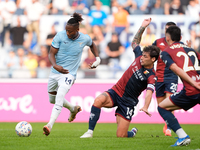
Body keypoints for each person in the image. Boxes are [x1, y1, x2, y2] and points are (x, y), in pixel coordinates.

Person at [80, 18, 160, 138]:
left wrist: (145, 106)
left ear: (153, 59)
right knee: (98, 101)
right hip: (116, 91)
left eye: (145, 57)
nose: (142, 58)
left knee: (121, 135)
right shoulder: (139, 56)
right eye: (142, 55)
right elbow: (134, 42)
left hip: (128, 101)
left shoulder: (152, 76)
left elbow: (149, 92)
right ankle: (89, 132)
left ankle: (131, 133)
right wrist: (142, 27)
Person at [43, 12, 101, 136]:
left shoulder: (84, 38)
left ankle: (49, 125)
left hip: (69, 74)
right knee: (52, 99)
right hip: (55, 72)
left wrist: (98, 58)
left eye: (71, 31)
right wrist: (55, 65)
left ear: (77, 29)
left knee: (59, 96)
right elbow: (51, 53)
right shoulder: (60, 36)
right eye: (67, 31)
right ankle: (72, 108)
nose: (68, 33)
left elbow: (92, 44)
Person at [158, 25, 200, 147]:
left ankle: (182, 136)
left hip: (192, 90)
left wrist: (193, 83)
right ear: (180, 37)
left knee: (162, 107)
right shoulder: (191, 50)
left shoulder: (166, 52)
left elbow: (176, 69)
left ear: (167, 38)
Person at [152, 22, 177, 136]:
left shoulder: (177, 44)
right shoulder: (158, 42)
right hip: (159, 76)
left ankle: (169, 128)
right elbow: (151, 56)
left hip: (171, 76)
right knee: (161, 105)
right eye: (166, 29)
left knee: (170, 102)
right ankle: (168, 123)